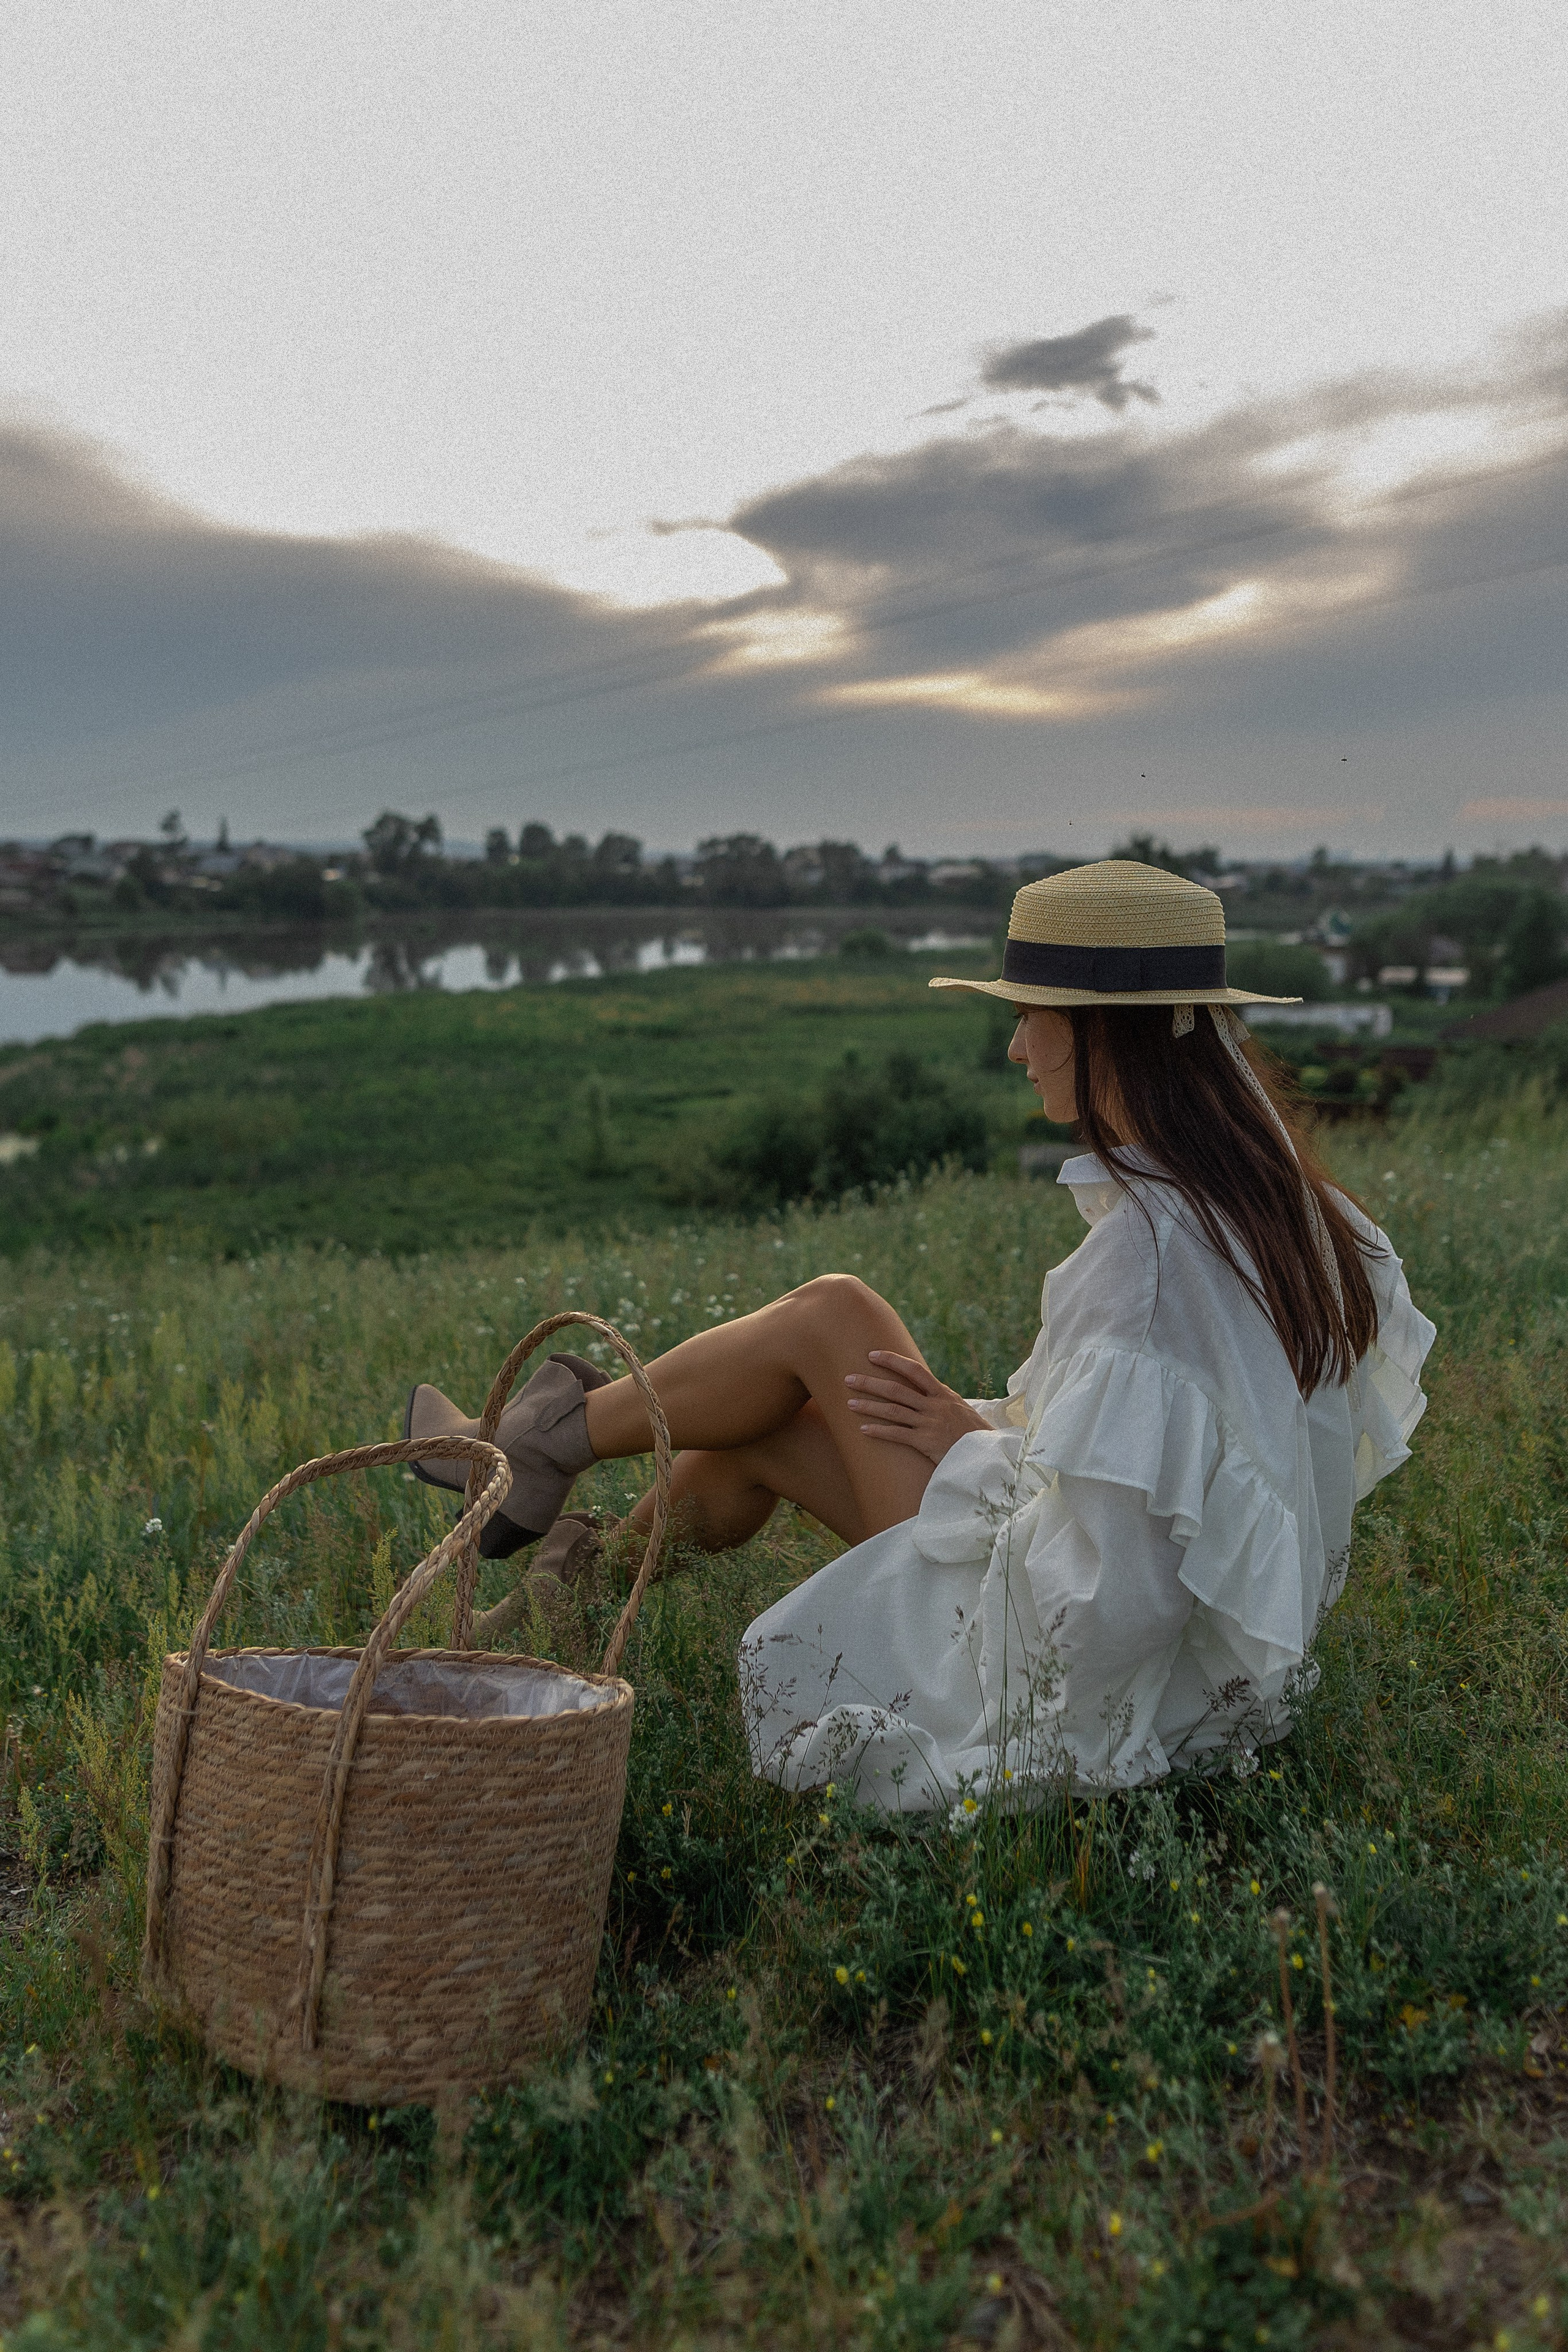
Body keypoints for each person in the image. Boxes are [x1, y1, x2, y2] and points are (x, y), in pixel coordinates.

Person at [405, 858, 1434, 1805]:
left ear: (1107, 1031)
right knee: (767, 1424)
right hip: (1198, 1687)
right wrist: (980, 1437)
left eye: (1032, 1014)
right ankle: (563, 1601)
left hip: (1058, 1678)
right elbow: (1157, 1494)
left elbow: (1109, 1598)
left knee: (835, 1314)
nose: (1016, 1044)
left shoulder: (1150, 1259)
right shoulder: (1301, 1218)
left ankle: (537, 1445)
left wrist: (971, 1449)